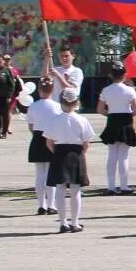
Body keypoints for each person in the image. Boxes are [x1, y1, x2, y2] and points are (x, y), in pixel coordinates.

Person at [46, 91, 95, 233]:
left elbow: (49, 142)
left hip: (59, 152)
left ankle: (62, 223)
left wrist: (56, 153)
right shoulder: (82, 120)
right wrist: (81, 155)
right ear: (76, 103)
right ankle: (75, 222)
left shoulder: (54, 120)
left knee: (60, 189)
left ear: (61, 102)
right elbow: (86, 143)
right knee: (75, 190)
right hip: (76, 153)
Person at [97, 72, 136, 194]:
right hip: (125, 121)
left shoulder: (106, 90)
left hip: (112, 121)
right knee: (123, 156)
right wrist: (128, 114)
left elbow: (100, 109)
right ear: (124, 75)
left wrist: (110, 114)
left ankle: (111, 187)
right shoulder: (130, 90)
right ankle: (124, 186)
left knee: (112, 155)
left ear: (112, 75)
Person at [26, 76, 61, 216]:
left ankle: (41, 205)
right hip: (51, 138)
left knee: (39, 174)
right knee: (50, 174)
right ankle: (51, 204)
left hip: (37, 137)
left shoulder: (33, 106)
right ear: (52, 90)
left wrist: (36, 134)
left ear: (39, 89)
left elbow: (31, 125)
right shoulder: (57, 106)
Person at [0, 53, 21, 138]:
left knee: (5, 115)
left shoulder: (7, 70)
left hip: (5, 97)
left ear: (3, 61)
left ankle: (4, 132)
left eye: (0, 61)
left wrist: (9, 96)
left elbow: (12, 84)